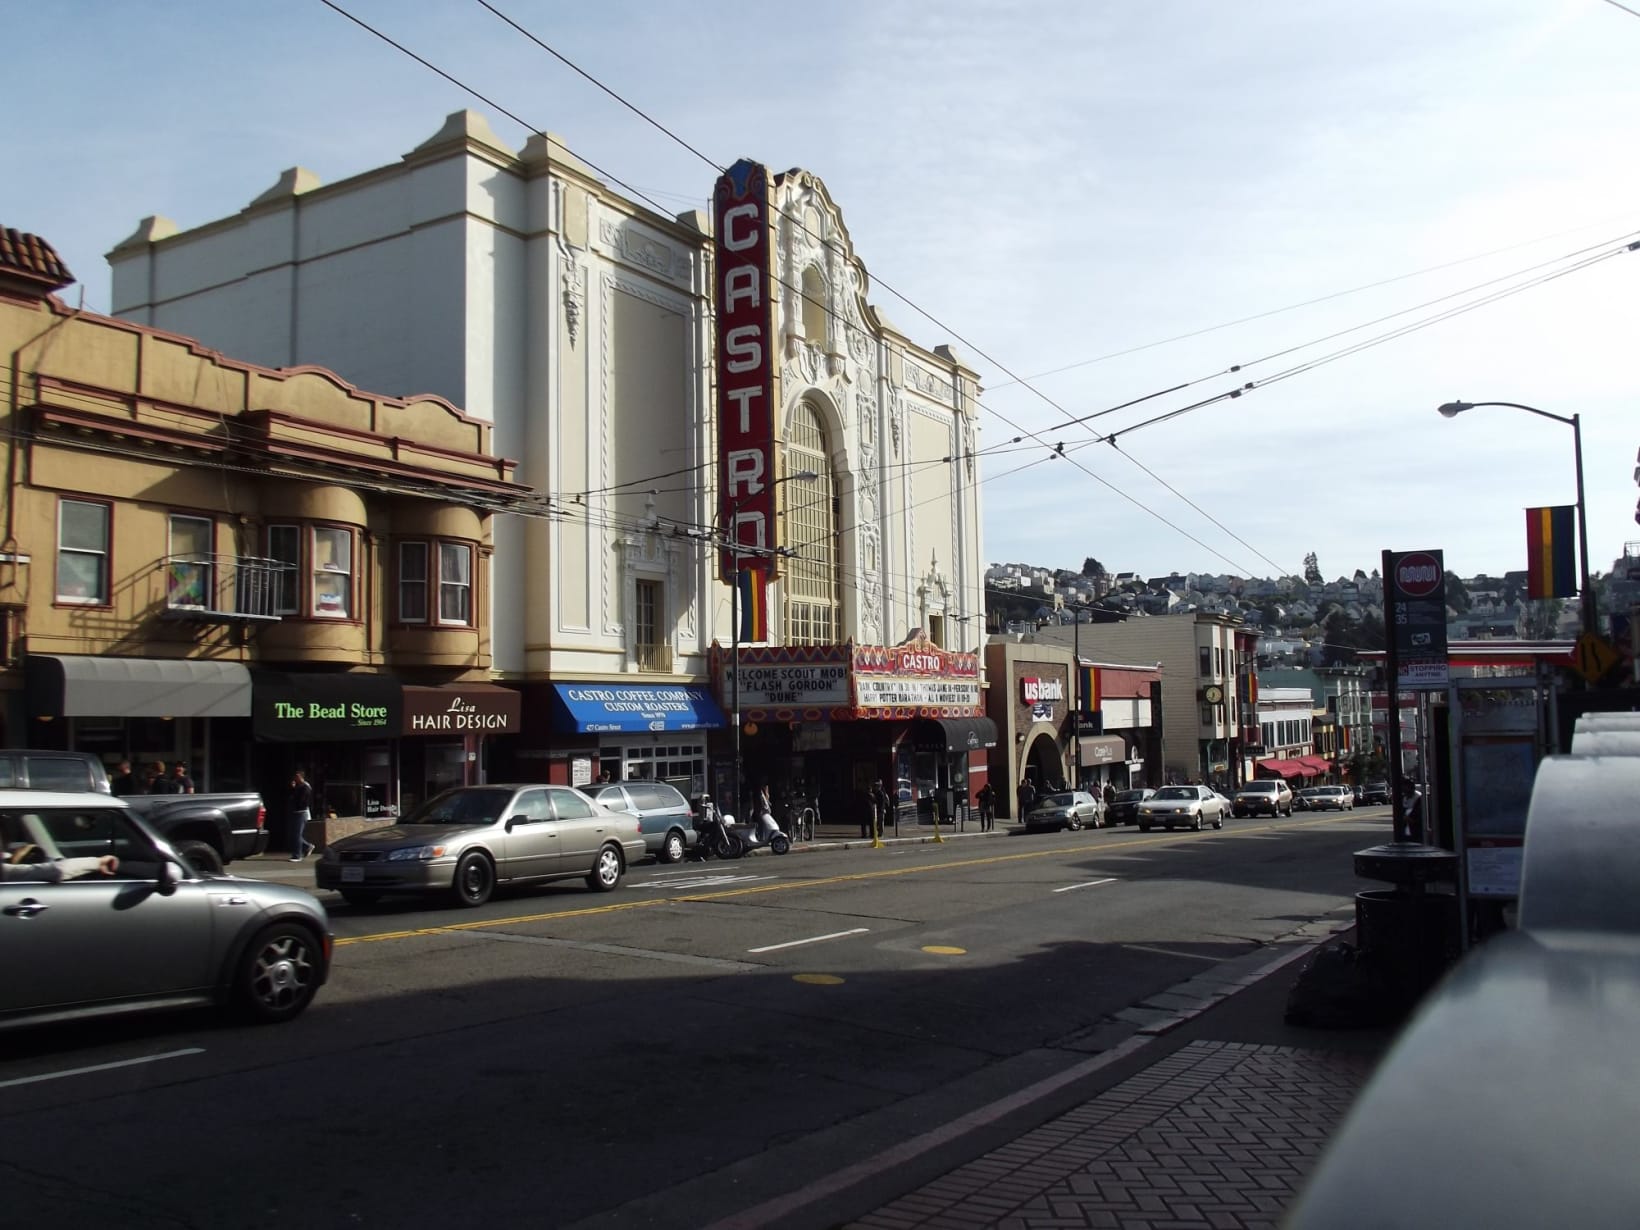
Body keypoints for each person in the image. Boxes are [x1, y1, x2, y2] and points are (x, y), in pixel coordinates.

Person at [288, 770, 315, 861]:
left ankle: (297, 855)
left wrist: (294, 789)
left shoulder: (305, 787)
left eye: (297, 776)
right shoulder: (299, 787)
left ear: (301, 777)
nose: (295, 778)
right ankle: (307, 846)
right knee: (295, 834)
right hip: (296, 812)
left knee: (297, 834)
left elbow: (302, 801)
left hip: (301, 812)